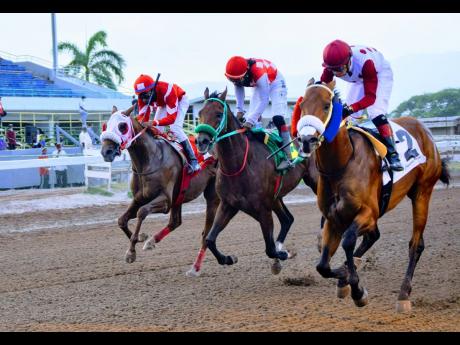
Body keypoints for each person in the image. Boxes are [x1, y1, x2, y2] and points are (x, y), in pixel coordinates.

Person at [320, 39, 403, 171]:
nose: (336, 73)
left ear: (348, 61)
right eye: (332, 70)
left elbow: (370, 98)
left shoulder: (366, 63)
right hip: (357, 79)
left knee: (375, 112)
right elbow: (323, 86)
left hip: (378, 73)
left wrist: (351, 108)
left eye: (339, 69)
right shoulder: (333, 64)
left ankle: (393, 155)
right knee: (350, 119)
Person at [224, 56, 292, 171]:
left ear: (245, 73)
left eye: (236, 80)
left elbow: (264, 100)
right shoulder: (238, 74)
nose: (235, 82)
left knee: (277, 118)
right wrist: (239, 110)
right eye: (232, 80)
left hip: (275, 82)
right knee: (250, 118)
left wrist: (250, 121)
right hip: (257, 83)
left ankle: (288, 156)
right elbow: (238, 88)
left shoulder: (258, 72)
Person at [133, 74, 201, 173]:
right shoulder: (142, 96)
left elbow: (171, 119)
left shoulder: (168, 91)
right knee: (156, 131)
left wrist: (154, 122)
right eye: (141, 96)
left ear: (152, 89)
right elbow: (142, 118)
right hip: (162, 103)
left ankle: (193, 160)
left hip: (179, 99)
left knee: (175, 128)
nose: (144, 100)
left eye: (146, 95)